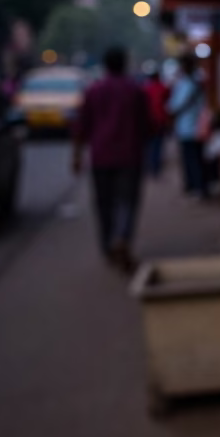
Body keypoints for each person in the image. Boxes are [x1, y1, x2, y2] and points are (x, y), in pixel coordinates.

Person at [72, 47, 149, 271]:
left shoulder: (93, 91)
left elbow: (81, 127)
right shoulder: (135, 91)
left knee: (104, 203)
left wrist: (77, 156)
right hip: (130, 155)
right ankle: (122, 236)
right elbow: (146, 125)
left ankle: (108, 246)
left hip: (101, 157)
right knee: (127, 201)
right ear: (124, 64)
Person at [168, 55, 208, 198]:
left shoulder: (188, 83)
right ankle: (195, 185)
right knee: (195, 158)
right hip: (192, 127)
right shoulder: (196, 81)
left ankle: (197, 186)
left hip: (190, 127)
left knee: (193, 159)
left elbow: (176, 105)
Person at [142, 66, 170, 178]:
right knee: (157, 145)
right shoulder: (163, 88)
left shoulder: (145, 89)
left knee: (149, 145)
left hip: (149, 121)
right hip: (160, 120)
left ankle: (151, 165)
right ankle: (156, 167)